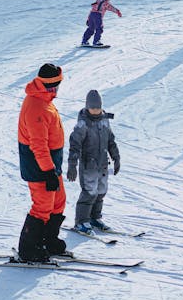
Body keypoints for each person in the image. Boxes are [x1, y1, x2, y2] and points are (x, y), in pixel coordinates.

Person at [17, 63, 67, 262]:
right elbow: (38, 144)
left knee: (58, 201)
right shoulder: (36, 106)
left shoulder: (44, 98)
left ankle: (48, 240)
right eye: (54, 85)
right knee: (42, 206)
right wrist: (48, 172)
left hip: (51, 164)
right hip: (40, 165)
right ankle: (29, 249)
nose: (56, 89)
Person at [67, 90, 120, 233]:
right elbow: (74, 145)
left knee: (101, 191)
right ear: (87, 107)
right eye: (93, 108)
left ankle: (94, 217)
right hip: (88, 165)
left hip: (103, 163)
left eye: (98, 108)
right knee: (89, 192)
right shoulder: (83, 124)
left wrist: (116, 157)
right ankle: (81, 221)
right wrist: (72, 165)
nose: (96, 111)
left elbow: (111, 141)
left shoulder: (104, 120)